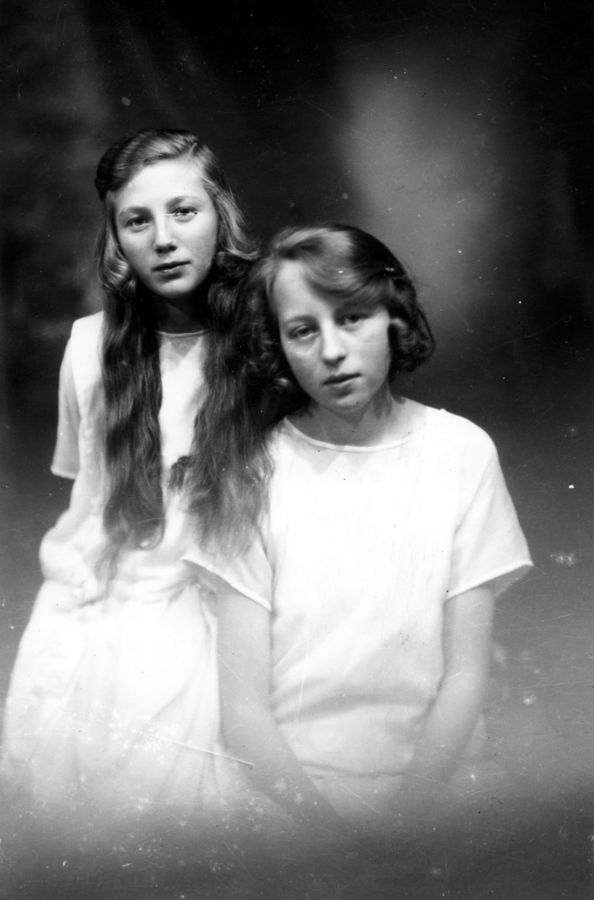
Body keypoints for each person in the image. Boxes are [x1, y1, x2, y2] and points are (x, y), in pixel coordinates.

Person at [185, 223, 533, 843]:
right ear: (277, 346)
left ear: (393, 318)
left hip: (436, 787)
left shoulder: (461, 452)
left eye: (352, 318)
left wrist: (402, 821)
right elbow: (244, 713)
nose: (332, 351)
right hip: (294, 797)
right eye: (302, 330)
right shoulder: (254, 470)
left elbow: (465, 677)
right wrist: (333, 835)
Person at [0, 128, 257, 825]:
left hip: (221, 612)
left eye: (184, 212)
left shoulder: (264, 342)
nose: (164, 239)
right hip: (98, 611)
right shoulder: (89, 346)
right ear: (115, 238)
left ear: (221, 214)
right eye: (137, 221)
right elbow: (86, 495)